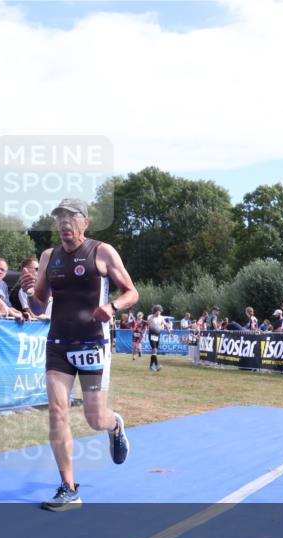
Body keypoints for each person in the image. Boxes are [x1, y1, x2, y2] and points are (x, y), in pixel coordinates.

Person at [20, 197, 138, 511]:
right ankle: (68, 487)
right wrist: (31, 291)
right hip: (58, 343)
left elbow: (132, 292)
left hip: (92, 344)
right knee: (57, 412)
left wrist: (111, 307)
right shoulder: (49, 257)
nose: (64, 224)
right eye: (59, 219)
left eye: (71, 219)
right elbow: (38, 306)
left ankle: (114, 426)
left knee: (94, 417)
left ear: (84, 222)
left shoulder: (102, 251)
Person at [147, 305, 169, 371]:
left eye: (160, 311)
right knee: (154, 350)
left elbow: (165, 325)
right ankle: (157, 366)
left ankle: (150, 366)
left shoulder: (161, 317)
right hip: (151, 334)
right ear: (155, 311)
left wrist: (169, 332)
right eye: (159, 311)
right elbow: (148, 323)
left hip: (157, 335)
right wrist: (153, 316)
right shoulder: (150, 316)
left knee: (154, 351)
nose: (160, 312)